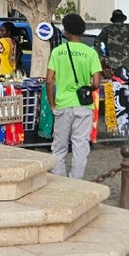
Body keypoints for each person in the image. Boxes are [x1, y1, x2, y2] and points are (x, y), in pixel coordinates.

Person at [46, 13, 101, 179]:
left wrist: (52, 103)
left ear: (67, 31)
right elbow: (97, 83)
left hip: (62, 104)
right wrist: (88, 87)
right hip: (83, 106)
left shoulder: (57, 51)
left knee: (59, 146)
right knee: (80, 145)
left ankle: (59, 178)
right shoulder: (90, 53)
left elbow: (49, 80)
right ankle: (76, 180)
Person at [95, 9, 129, 75]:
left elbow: (97, 42)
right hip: (127, 64)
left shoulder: (107, 30)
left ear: (113, 19)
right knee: (128, 83)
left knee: (111, 84)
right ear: (122, 19)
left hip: (111, 63)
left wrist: (101, 56)